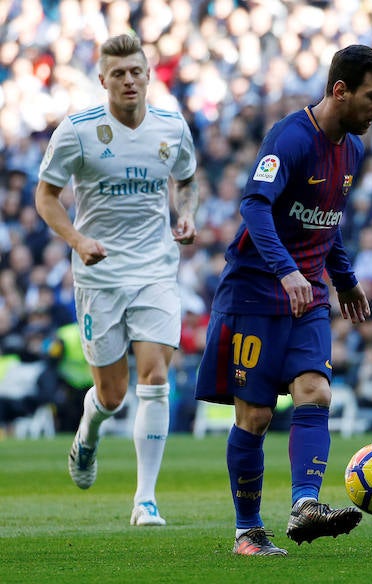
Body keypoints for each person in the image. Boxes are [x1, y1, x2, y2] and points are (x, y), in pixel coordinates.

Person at [194, 45, 372, 557]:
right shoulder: (290, 138)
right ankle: (248, 531)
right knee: (256, 417)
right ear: (340, 90)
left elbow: (326, 222)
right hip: (256, 294)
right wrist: (285, 270)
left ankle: (305, 505)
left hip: (307, 295)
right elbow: (254, 205)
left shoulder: (351, 148)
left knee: (316, 391)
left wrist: (345, 278)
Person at [34, 34, 198, 527]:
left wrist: (184, 212)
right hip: (99, 272)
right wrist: (78, 240)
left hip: (154, 267)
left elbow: (186, 178)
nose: (129, 80)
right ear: (103, 79)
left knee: (155, 376)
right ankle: (88, 434)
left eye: (136, 71)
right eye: (118, 73)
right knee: (112, 394)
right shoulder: (78, 131)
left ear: (148, 75)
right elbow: (46, 198)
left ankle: (145, 499)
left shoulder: (172, 126)